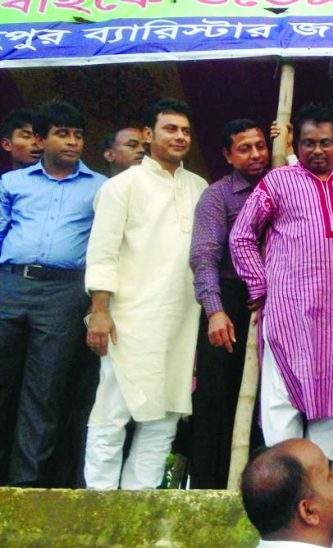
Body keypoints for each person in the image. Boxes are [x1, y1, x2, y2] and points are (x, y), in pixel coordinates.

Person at [230, 104, 333, 460]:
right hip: (289, 311)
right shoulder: (277, 182)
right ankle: (283, 486)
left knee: (331, 406)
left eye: (326, 143)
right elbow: (241, 235)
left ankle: (321, 486)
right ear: (296, 145)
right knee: (281, 401)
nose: (317, 150)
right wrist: (259, 285)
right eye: (309, 143)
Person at [83, 98, 208, 490]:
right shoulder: (122, 186)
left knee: (164, 418)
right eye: (170, 129)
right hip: (130, 320)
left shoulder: (199, 188)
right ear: (149, 136)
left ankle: (140, 508)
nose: (180, 136)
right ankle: (99, 508)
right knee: (112, 414)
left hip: (181, 322)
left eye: (185, 131)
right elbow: (102, 252)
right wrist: (100, 311)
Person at [0, 100, 106, 486]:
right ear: (41, 140)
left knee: (43, 393)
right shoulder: (12, 183)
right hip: (9, 284)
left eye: (78, 135)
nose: (73, 142)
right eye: (63, 134)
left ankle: (24, 486)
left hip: (64, 291)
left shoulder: (100, 188)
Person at [188, 119, 269, 489]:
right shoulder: (217, 195)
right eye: (244, 148)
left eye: (260, 146)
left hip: (277, 301)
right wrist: (215, 311)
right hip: (231, 302)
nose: (255, 155)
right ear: (227, 155)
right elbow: (204, 256)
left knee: (269, 403)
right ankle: (209, 490)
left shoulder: (283, 183)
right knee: (216, 402)